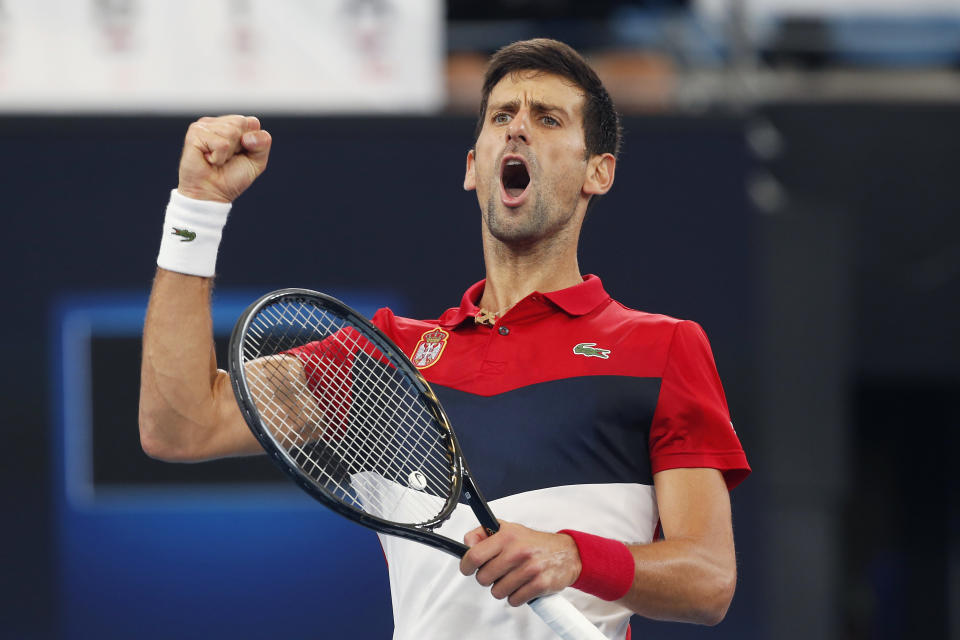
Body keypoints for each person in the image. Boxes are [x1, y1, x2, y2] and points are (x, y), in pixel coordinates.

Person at [139, 38, 749, 640]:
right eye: (501, 116)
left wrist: (574, 556)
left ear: (599, 171)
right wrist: (198, 206)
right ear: (472, 165)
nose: (517, 130)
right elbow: (181, 425)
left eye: (547, 118)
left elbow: (708, 579)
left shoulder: (662, 348)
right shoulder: (381, 357)